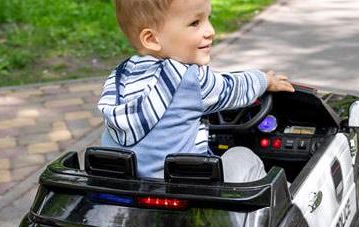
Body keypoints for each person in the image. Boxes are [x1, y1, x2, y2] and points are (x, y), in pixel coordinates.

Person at [97, 0, 295, 183]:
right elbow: (233, 88)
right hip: (188, 187)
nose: (210, 31)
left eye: (209, 19)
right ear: (151, 38)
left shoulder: (119, 76)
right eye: (195, 23)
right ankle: (294, 204)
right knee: (242, 156)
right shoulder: (189, 78)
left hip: (126, 186)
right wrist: (265, 80)